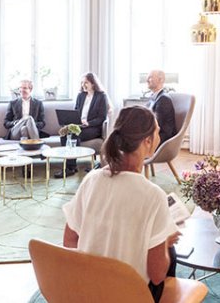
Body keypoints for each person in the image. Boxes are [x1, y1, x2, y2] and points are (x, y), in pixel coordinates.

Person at [62, 106, 180, 302]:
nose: (160, 136)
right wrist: (166, 242)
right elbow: (157, 274)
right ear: (148, 141)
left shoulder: (91, 180)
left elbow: (69, 241)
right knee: (170, 251)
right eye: (158, 131)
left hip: (88, 291)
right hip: (129, 295)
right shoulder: (153, 196)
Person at [55, 72, 108, 178]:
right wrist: (72, 121)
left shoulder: (101, 96)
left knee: (74, 134)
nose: (83, 85)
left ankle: (70, 167)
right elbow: (76, 111)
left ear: (93, 83)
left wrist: (88, 123)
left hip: (92, 127)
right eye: (82, 82)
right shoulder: (80, 96)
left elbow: (102, 117)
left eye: (86, 82)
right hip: (79, 125)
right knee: (65, 133)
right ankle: (70, 165)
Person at [146, 70, 177, 146]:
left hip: (162, 138)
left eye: (150, 77)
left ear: (161, 80)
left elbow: (156, 125)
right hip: (154, 134)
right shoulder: (154, 97)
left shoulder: (164, 99)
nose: (147, 80)